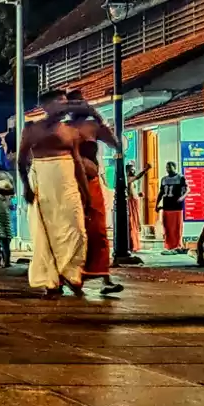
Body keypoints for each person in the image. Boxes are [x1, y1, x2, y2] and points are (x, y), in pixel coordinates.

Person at [18, 91, 88, 297]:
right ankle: (51, 280)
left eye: (65, 103)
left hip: (67, 182)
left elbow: (78, 163)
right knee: (44, 232)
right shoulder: (32, 129)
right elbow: (21, 161)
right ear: (46, 106)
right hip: (42, 179)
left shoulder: (71, 131)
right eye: (58, 102)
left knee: (77, 230)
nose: (63, 106)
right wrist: (26, 188)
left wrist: (86, 192)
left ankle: (72, 273)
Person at [71, 111, 124, 295]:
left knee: (98, 231)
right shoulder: (62, 129)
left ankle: (105, 278)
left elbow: (117, 144)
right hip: (71, 186)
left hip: (92, 185)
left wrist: (101, 120)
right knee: (75, 232)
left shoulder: (92, 126)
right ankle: (72, 277)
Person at [156, 161, 189, 253]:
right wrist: (157, 204)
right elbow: (161, 193)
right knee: (167, 228)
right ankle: (169, 246)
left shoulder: (180, 178)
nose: (168, 169)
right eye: (166, 167)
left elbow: (188, 190)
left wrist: (182, 198)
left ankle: (177, 246)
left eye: (169, 167)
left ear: (174, 167)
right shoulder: (164, 179)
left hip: (177, 207)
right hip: (167, 206)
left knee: (177, 228)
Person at [125, 161, 149, 252]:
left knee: (135, 224)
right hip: (131, 203)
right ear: (127, 170)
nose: (133, 170)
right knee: (131, 224)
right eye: (131, 169)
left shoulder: (131, 179)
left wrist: (138, 195)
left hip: (135, 202)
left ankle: (135, 245)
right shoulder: (128, 179)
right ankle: (132, 245)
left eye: (134, 168)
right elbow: (138, 177)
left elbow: (132, 191)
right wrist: (145, 170)